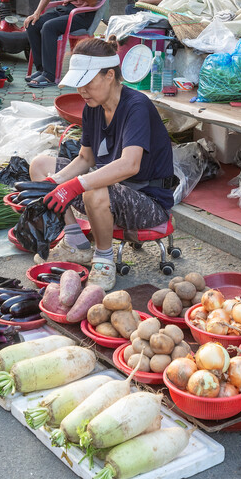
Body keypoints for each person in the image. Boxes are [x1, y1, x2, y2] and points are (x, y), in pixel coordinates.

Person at [23, 37, 175, 290]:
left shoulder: (136, 106)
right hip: (111, 189)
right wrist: (54, 183)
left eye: (87, 82)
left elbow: (130, 165)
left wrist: (73, 186)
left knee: (93, 190)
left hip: (148, 199)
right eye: (78, 83)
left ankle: (104, 260)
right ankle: (75, 242)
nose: (82, 90)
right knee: (40, 165)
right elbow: (86, 158)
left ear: (109, 75)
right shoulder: (92, 107)